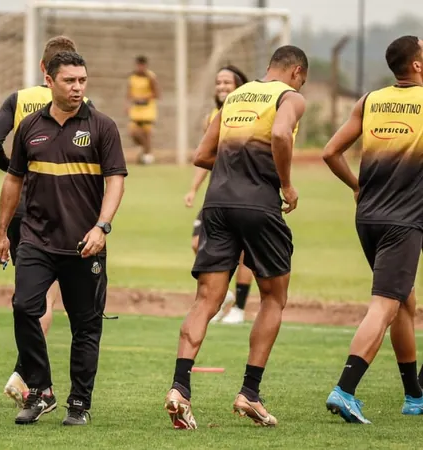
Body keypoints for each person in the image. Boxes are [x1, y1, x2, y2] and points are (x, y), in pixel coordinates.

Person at [164, 45, 308, 429]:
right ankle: (250, 391)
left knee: (206, 300)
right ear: (296, 72)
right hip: (259, 207)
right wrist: (287, 185)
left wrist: (234, 165)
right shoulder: (290, 97)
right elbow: (281, 133)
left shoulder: (236, 97)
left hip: (217, 205)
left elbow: (201, 155)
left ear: (267, 67)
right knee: (274, 298)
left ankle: (179, 388)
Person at [0, 51, 127, 426]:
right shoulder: (30, 127)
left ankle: (79, 403)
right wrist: (2, 232)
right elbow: (13, 180)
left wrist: (102, 226)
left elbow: (115, 180)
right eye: (70, 80)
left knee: (86, 325)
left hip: (85, 243)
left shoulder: (102, 126)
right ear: (49, 81)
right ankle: (40, 390)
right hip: (36, 238)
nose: (78, 87)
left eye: (82, 80)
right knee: (24, 307)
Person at [0, 35, 92, 408]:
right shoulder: (84, 107)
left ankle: (30, 373)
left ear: (41, 67)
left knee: (28, 296)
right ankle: (25, 374)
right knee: (48, 297)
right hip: (62, 210)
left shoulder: (18, 99)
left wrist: (21, 171)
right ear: (54, 73)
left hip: (20, 210)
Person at [322, 35, 423, 424]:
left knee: (403, 304)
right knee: (384, 305)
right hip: (403, 221)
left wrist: (356, 186)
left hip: (368, 218)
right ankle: (345, 389)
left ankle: (414, 395)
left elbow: (331, 151)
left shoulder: (370, 100)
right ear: (415, 65)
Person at [184, 65, 253, 325]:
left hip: (245, 193)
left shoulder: (250, 114)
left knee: (246, 253)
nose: (222, 87)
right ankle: (224, 296)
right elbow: (204, 156)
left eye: (227, 82)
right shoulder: (211, 116)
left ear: (240, 87)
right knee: (197, 243)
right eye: (219, 83)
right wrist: (193, 189)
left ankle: (240, 308)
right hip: (217, 192)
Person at [127, 56, 160, 165]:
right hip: (136, 109)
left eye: (142, 65)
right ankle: (147, 152)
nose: (140, 67)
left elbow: (157, 93)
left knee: (147, 134)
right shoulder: (132, 77)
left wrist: (144, 98)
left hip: (147, 109)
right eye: (138, 65)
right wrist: (127, 104)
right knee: (133, 133)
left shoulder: (151, 77)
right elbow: (129, 93)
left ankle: (147, 157)